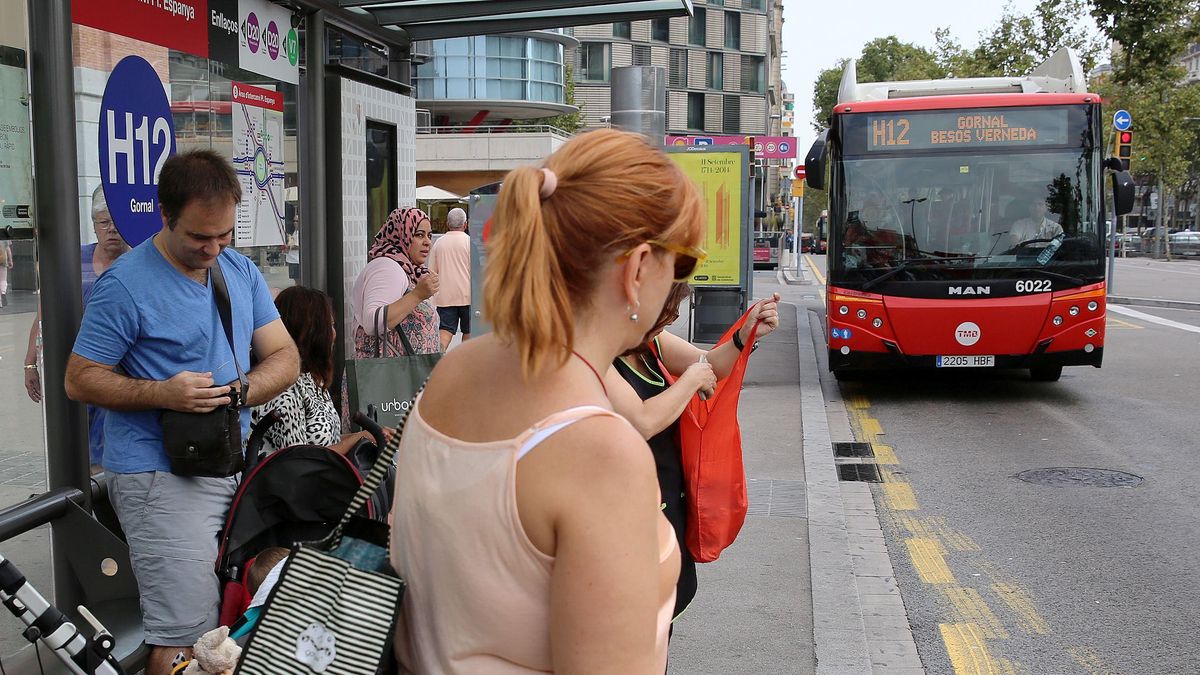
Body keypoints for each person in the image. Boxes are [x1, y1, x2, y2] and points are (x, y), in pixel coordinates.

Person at [390, 128, 706, 674]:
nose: (680, 287)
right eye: (684, 266)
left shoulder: (457, 368)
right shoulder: (600, 451)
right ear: (637, 269)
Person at [64, 149, 300, 675]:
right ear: (166, 217)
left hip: (227, 461)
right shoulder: (124, 285)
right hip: (158, 473)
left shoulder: (238, 269)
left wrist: (242, 390)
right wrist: (163, 394)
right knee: (186, 637)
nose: (213, 249)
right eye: (199, 237)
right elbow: (78, 379)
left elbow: (285, 357)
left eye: (223, 235)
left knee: (230, 621)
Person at [606, 284, 780, 622]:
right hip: (628, 512)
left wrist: (744, 335)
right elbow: (642, 421)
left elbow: (711, 364)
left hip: (668, 500)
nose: (666, 324)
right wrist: (691, 380)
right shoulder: (597, 356)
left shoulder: (650, 343)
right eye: (663, 315)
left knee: (665, 615)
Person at [24, 186, 130, 468]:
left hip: (120, 376)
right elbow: (46, 311)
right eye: (103, 222)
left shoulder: (139, 262)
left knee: (109, 451)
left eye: (117, 222)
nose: (111, 230)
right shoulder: (74, 260)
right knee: (73, 446)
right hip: (75, 370)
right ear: (94, 225)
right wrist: (30, 363)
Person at [251, 286, 380, 454]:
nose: (334, 334)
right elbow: (298, 460)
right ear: (312, 333)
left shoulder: (310, 380)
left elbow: (324, 443)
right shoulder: (283, 388)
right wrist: (357, 439)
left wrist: (366, 436)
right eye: (329, 326)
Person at [351, 207, 441, 359]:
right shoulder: (388, 267)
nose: (427, 242)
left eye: (429, 236)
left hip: (402, 377)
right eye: (419, 235)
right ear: (401, 235)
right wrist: (417, 295)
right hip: (388, 378)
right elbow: (373, 321)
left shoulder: (407, 269)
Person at [427, 206, 471, 350]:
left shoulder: (438, 243)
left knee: (445, 331)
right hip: (468, 296)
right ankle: (465, 364)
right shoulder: (470, 243)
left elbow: (432, 272)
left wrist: (432, 299)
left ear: (447, 223)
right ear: (465, 224)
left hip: (445, 297)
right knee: (468, 332)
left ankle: (438, 359)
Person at [285, 215, 300, 281]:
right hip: (291, 259)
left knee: (298, 279)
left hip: (297, 260)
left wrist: (289, 247)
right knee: (295, 279)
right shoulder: (294, 232)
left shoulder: (301, 232)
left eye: (297, 221)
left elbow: (299, 246)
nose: (295, 223)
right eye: (294, 221)